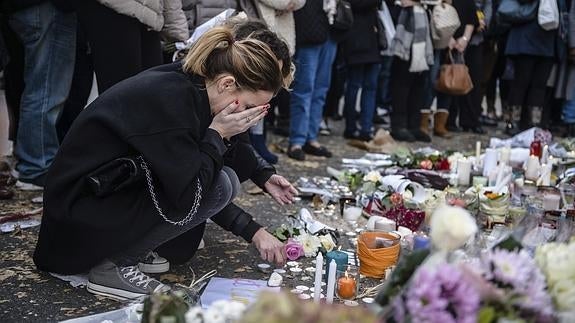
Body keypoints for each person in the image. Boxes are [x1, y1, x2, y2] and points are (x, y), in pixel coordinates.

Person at [33, 26, 297, 300]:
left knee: (225, 181)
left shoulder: (193, 86)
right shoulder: (174, 101)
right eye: (247, 107)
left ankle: (124, 253)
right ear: (227, 84)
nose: (245, 116)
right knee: (219, 185)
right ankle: (113, 267)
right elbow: (191, 195)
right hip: (77, 216)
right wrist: (217, 135)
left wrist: (257, 171)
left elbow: (219, 164)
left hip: (95, 197)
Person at [4, 0, 76, 189]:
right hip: (45, 7)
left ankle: (33, 162)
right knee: (46, 88)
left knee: (39, 85)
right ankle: (37, 166)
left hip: (23, 8)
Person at [287, 0, 337, 160]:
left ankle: (311, 138)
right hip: (309, 31)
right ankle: (297, 140)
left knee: (321, 89)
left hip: (331, 31)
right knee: (304, 89)